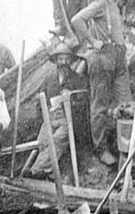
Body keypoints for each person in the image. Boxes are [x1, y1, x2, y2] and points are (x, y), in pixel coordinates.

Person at [71, 0, 133, 165]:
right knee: (100, 105)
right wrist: (91, 40)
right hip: (102, 56)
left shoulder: (117, 5)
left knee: (126, 103)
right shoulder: (101, 2)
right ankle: (101, 149)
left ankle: (125, 148)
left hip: (119, 57)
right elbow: (77, 20)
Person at [25, 42, 88, 181]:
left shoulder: (77, 79)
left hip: (67, 119)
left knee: (57, 139)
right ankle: (49, 173)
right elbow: (40, 101)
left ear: (71, 60)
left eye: (66, 59)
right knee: (42, 141)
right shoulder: (48, 78)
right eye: (60, 59)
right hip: (49, 117)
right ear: (55, 60)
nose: (64, 62)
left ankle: (36, 170)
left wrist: (70, 98)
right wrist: (43, 117)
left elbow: (83, 103)